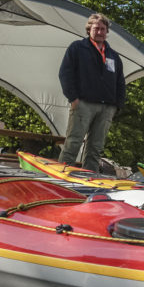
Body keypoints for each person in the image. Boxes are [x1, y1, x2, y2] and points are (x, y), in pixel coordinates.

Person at [57, 13, 125, 171]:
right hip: (83, 103)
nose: (100, 32)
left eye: (103, 29)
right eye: (96, 28)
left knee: (96, 147)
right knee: (73, 142)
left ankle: (90, 178)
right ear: (89, 30)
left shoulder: (113, 55)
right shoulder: (77, 48)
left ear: (107, 31)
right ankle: (61, 176)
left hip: (107, 107)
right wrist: (73, 98)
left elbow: (120, 82)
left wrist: (117, 106)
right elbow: (65, 73)